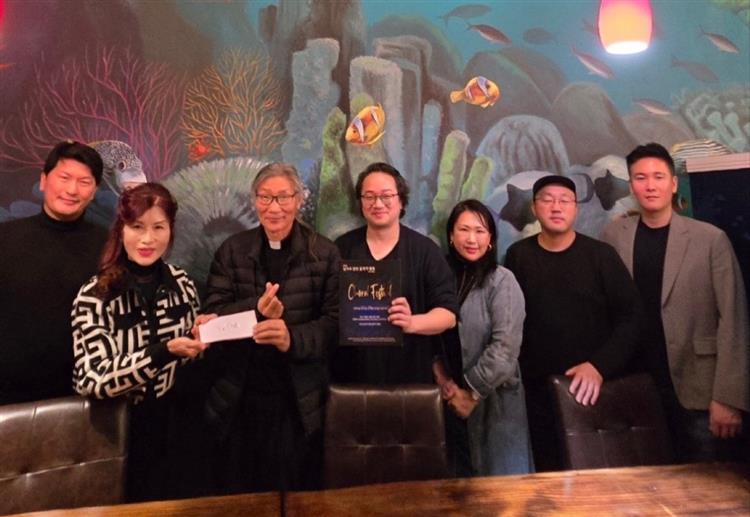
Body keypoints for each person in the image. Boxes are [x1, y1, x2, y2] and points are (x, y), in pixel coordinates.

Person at [601, 142, 749, 462]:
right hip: (635, 387)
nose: (650, 185)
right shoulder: (614, 236)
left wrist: (728, 397)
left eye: (658, 176)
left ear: (673, 183)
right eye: (640, 178)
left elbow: (734, 320)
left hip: (699, 390)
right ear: (631, 186)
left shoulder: (710, 238)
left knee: (706, 485)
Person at [203, 162, 339, 494]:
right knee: (240, 494)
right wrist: (256, 311)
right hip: (239, 396)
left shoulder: (324, 253)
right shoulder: (232, 250)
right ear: (254, 200)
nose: (274, 207)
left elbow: (335, 324)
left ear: (298, 199)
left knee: (295, 493)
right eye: (265, 197)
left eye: (283, 197)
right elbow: (212, 315)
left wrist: (292, 338)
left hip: (299, 400)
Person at [71, 182, 212, 502]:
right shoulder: (96, 294)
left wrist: (201, 336)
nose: (148, 239)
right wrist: (162, 352)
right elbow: (93, 379)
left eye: (158, 227)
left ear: (171, 230)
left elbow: (191, 356)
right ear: (121, 229)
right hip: (115, 433)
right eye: (137, 227)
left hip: (175, 429)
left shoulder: (182, 283)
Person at [504, 175, 640, 471]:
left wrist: (599, 366)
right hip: (538, 393)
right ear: (534, 208)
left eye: (564, 200)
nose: (556, 207)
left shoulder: (601, 256)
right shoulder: (518, 256)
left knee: (598, 476)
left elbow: (631, 318)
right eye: (547, 200)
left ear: (575, 208)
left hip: (594, 388)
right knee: (549, 476)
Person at [0, 140, 107, 405]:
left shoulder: (109, 246)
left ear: (94, 191)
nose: (72, 190)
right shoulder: (6, 238)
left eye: (84, 182)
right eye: (64, 177)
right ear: (44, 180)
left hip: (83, 394)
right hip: (8, 392)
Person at [332, 162, 458, 385]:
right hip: (351, 377)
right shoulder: (342, 248)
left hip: (410, 377)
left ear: (401, 201)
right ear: (360, 202)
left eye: (386, 195)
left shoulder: (425, 251)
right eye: (369, 196)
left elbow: (448, 315)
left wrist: (412, 323)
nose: (377, 203)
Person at [441, 199, 533, 476]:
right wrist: (444, 382)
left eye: (480, 231)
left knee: (499, 490)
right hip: (445, 401)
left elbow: (505, 349)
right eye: (464, 230)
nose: (472, 239)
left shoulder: (502, 280)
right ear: (451, 235)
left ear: (491, 239)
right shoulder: (439, 277)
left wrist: (469, 393)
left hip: (492, 401)